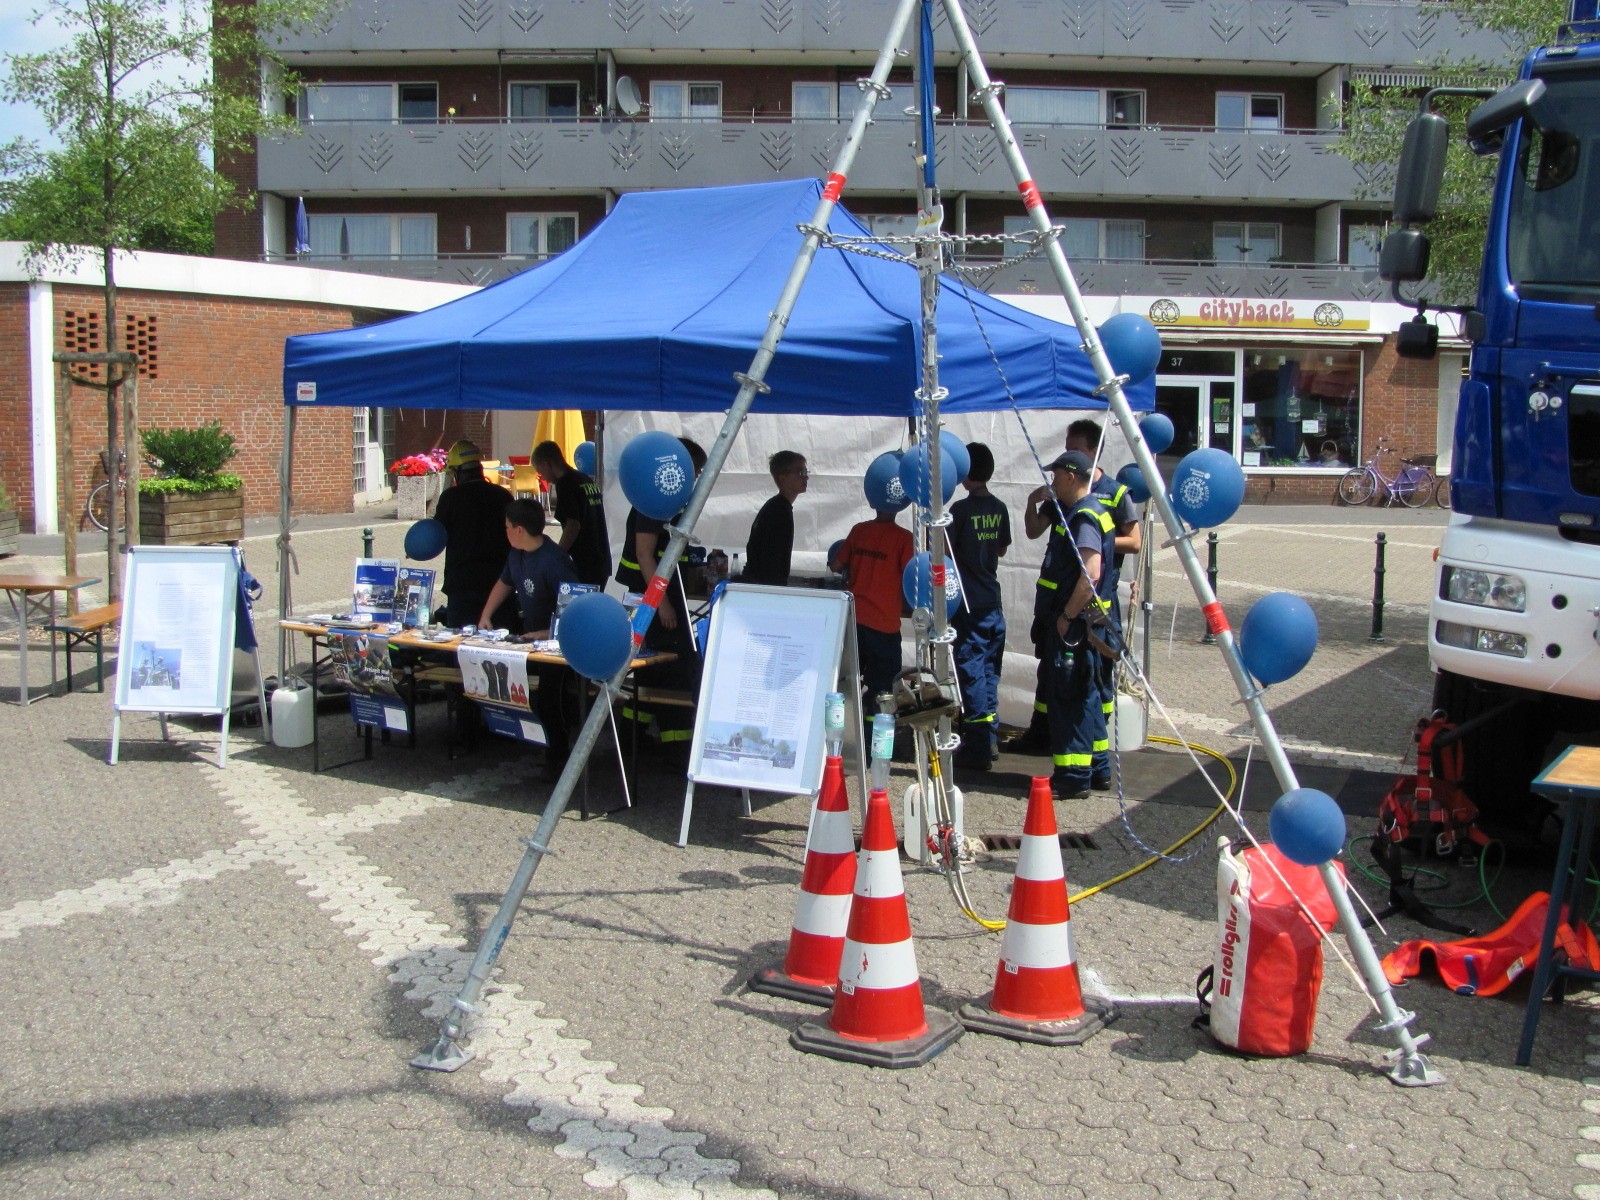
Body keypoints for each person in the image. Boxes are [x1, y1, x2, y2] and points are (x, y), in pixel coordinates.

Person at [612, 436, 705, 755]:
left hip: (657, 592)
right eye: (696, 471)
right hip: (650, 596)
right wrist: (662, 604)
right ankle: (675, 747)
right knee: (673, 667)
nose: (697, 478)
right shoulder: (654, 497)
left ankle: (633, 738)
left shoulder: (669, 498)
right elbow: (645, 554)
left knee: (651, 670)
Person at [1031, 450, 1115, 800]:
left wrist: (1066, 616)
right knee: (1088, 695)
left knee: (1069, 699)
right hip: (1089, 624)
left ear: (1069, 476)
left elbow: (1090, 574)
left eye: (1055, 476)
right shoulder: (1095, 511)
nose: (1052, 483)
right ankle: (1097, 768)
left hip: (1076, 626)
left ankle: (1073, 776)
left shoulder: (1083, 516)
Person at [477, 499, 581, 780]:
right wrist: (486, 614)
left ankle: (559, 759)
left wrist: (548, 633)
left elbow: (575, 608)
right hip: (530, 640)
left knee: (550, 699)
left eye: (507, 527)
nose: (505, 532)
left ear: (520, 530)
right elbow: (505, 581)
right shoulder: (516, 554)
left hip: (557, 645)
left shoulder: (555, 562)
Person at [947, 443, 1012, 773]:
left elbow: (945, 553)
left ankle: (977, 747)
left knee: (971, 673)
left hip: (969, 603)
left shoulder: (959, 510)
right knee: (988, 673)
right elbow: (1001, 549)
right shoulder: (1000, 507)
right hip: (992, 601)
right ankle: (990, 739)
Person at [830, 502, 913, 717]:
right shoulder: (904, 538)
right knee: (883, 692)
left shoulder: (859, 530)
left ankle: (848, 729)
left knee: (846, 683)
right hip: (884, 626)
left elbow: (836, 565)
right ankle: (872, 732)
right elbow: (912, 577)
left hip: (854, 621)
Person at [432, 439, 515, 630]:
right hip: (500, 582)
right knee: (501, 641)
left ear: (456, 472)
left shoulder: (450, 498)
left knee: (461, 641)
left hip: (462, 582)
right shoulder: (503, 496)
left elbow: (436, 535)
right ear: (480, 467)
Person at [531, 439, 611, 586]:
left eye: (540, 472)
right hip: (601, 560)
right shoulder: (584, 479)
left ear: (545, 464)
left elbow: (573, 525)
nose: (543, 478)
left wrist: (558, 555)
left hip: (584, 563)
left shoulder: (566, 484)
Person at [743, 450, 808, 586]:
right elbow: (772, 559)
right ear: (783, 479)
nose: (806, 477)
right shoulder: (779, 512)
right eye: (800, 473)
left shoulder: (776, 507)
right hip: (764, 586)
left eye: (806, 472)